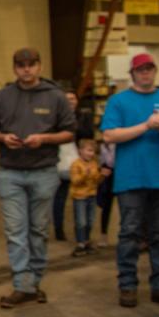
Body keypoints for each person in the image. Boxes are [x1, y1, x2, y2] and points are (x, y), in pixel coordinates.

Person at [0, 48, 75, 308]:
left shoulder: (56, 97)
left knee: (38, 230)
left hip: (44, 171)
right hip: (10, 172)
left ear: (39, 66)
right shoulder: (1, 97)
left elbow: (69, 132)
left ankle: (34, 282)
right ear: (15, 68)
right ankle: (22, 285)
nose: (26, 69)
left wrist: (44, 139)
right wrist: (3, 138)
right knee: (15, 230)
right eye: (21, 65)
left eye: (31, 64)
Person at [100, 53, 159, 308]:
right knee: (129, 234)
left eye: (149, 69)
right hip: (130, 179)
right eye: (140, 70)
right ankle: (127, 285)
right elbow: (109, 136)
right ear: (132, 74)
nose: (145, 73)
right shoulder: (118, 101)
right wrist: (146, 126)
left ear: (155, 71)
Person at [52, 91, 92, 242]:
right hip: (61, 161)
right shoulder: (56, 116)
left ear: (77, 101)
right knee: (59, 197)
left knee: (82, 196)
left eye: (73, 98)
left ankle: (82, 233)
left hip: (80, 161)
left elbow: (88, 135)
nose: (70, 101)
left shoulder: (83, 116)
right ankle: (59, 229)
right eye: (67, 99)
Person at [68, 139, 103, 257]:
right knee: (81, 221)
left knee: (90, 221)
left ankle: (87, 241)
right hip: (79, 197)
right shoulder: (76, 164)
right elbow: (75, 181)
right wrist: (85, 174)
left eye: (93, 151)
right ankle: (80, 243)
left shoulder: (94, 163)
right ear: (80, 151)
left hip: (92, 195)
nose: (91, 153)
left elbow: (97, 180)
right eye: (89, 150)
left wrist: (102, 175)